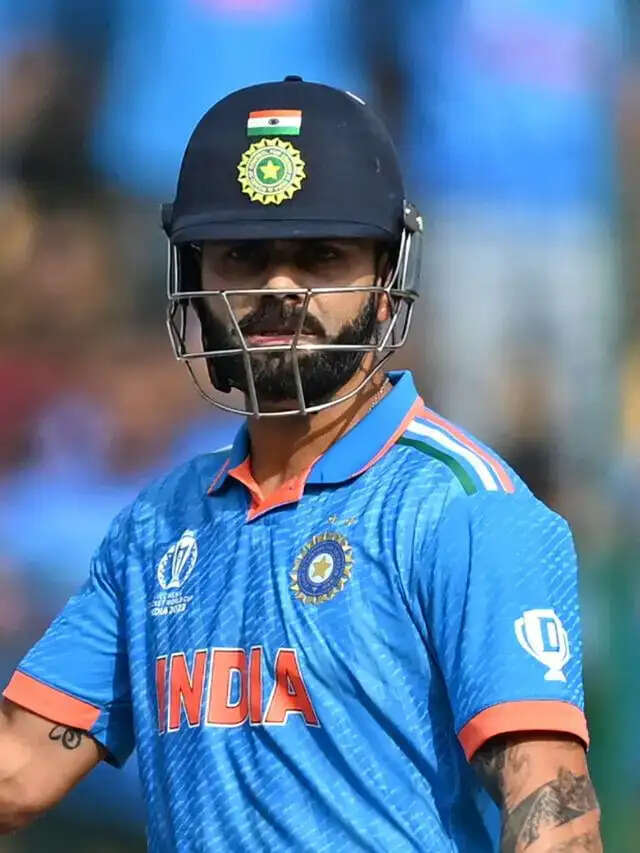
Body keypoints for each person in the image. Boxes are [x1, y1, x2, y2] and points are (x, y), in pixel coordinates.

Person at [0, 77, 601, 852]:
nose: (280, 287)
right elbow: (18, 767)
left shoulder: (463, 507)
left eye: (322, 255)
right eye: (244, 256)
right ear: (193, 278)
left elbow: (553, 815)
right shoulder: (158, 526)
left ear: (385, 280)